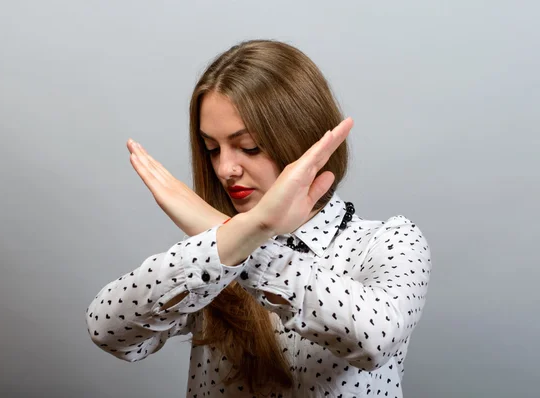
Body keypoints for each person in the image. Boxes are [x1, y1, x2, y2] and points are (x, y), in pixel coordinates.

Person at [85, 39, 432, 398]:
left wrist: (244, 239)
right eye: (211, 149)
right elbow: (109, 332)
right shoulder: (208, 253)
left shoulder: (388, 241)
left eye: (248, 147)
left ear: (300, 138)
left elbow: (374, 340)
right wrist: (231, 238)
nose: (225, 169)